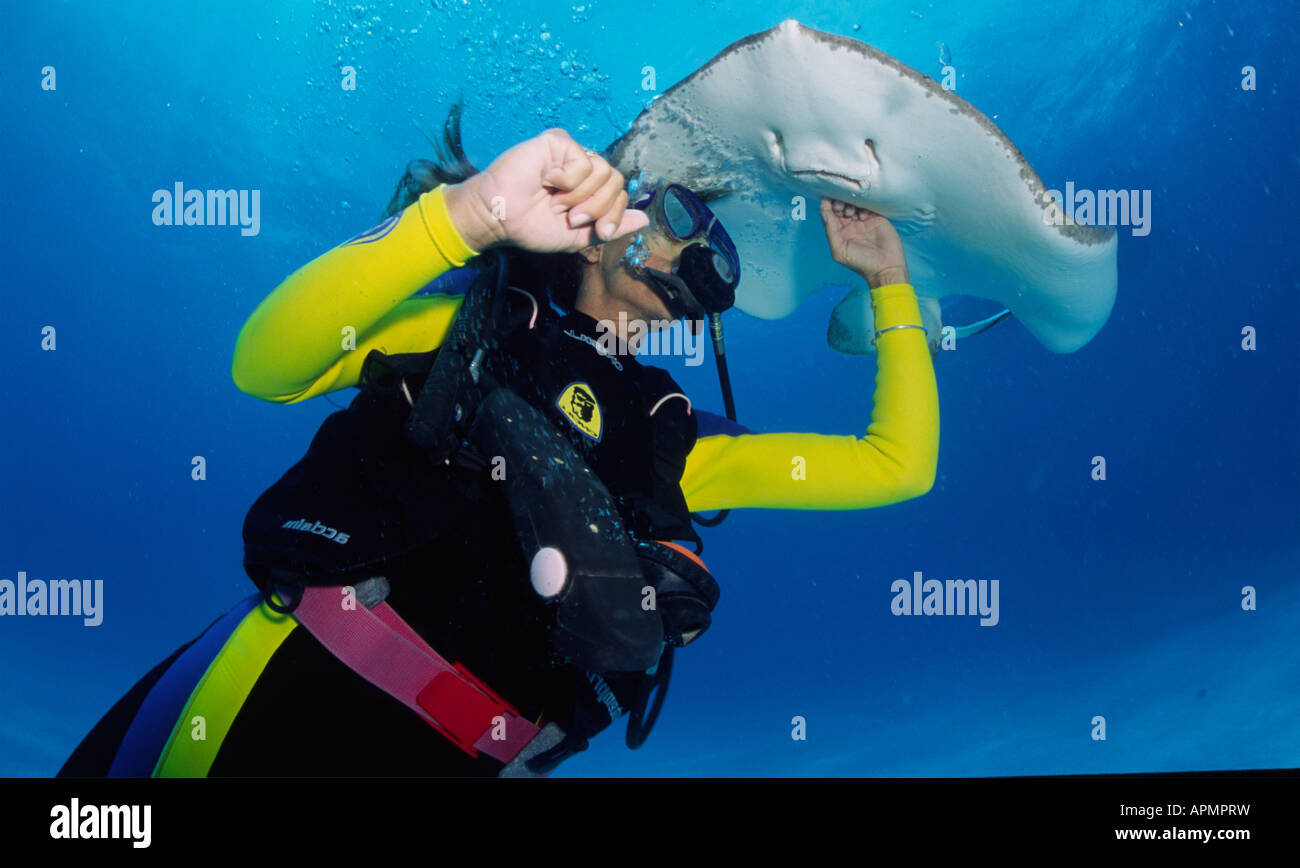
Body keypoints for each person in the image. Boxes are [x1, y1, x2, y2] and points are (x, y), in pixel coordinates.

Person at [59, 111, 938, 778]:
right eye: (681, 211)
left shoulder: (674, 441)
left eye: (719, 248)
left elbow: (898, 464)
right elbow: (265, 364)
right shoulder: (474, 328)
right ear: (606, 214)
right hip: (281, 690)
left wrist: (889, 284)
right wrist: (466, 219)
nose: (701, 247)